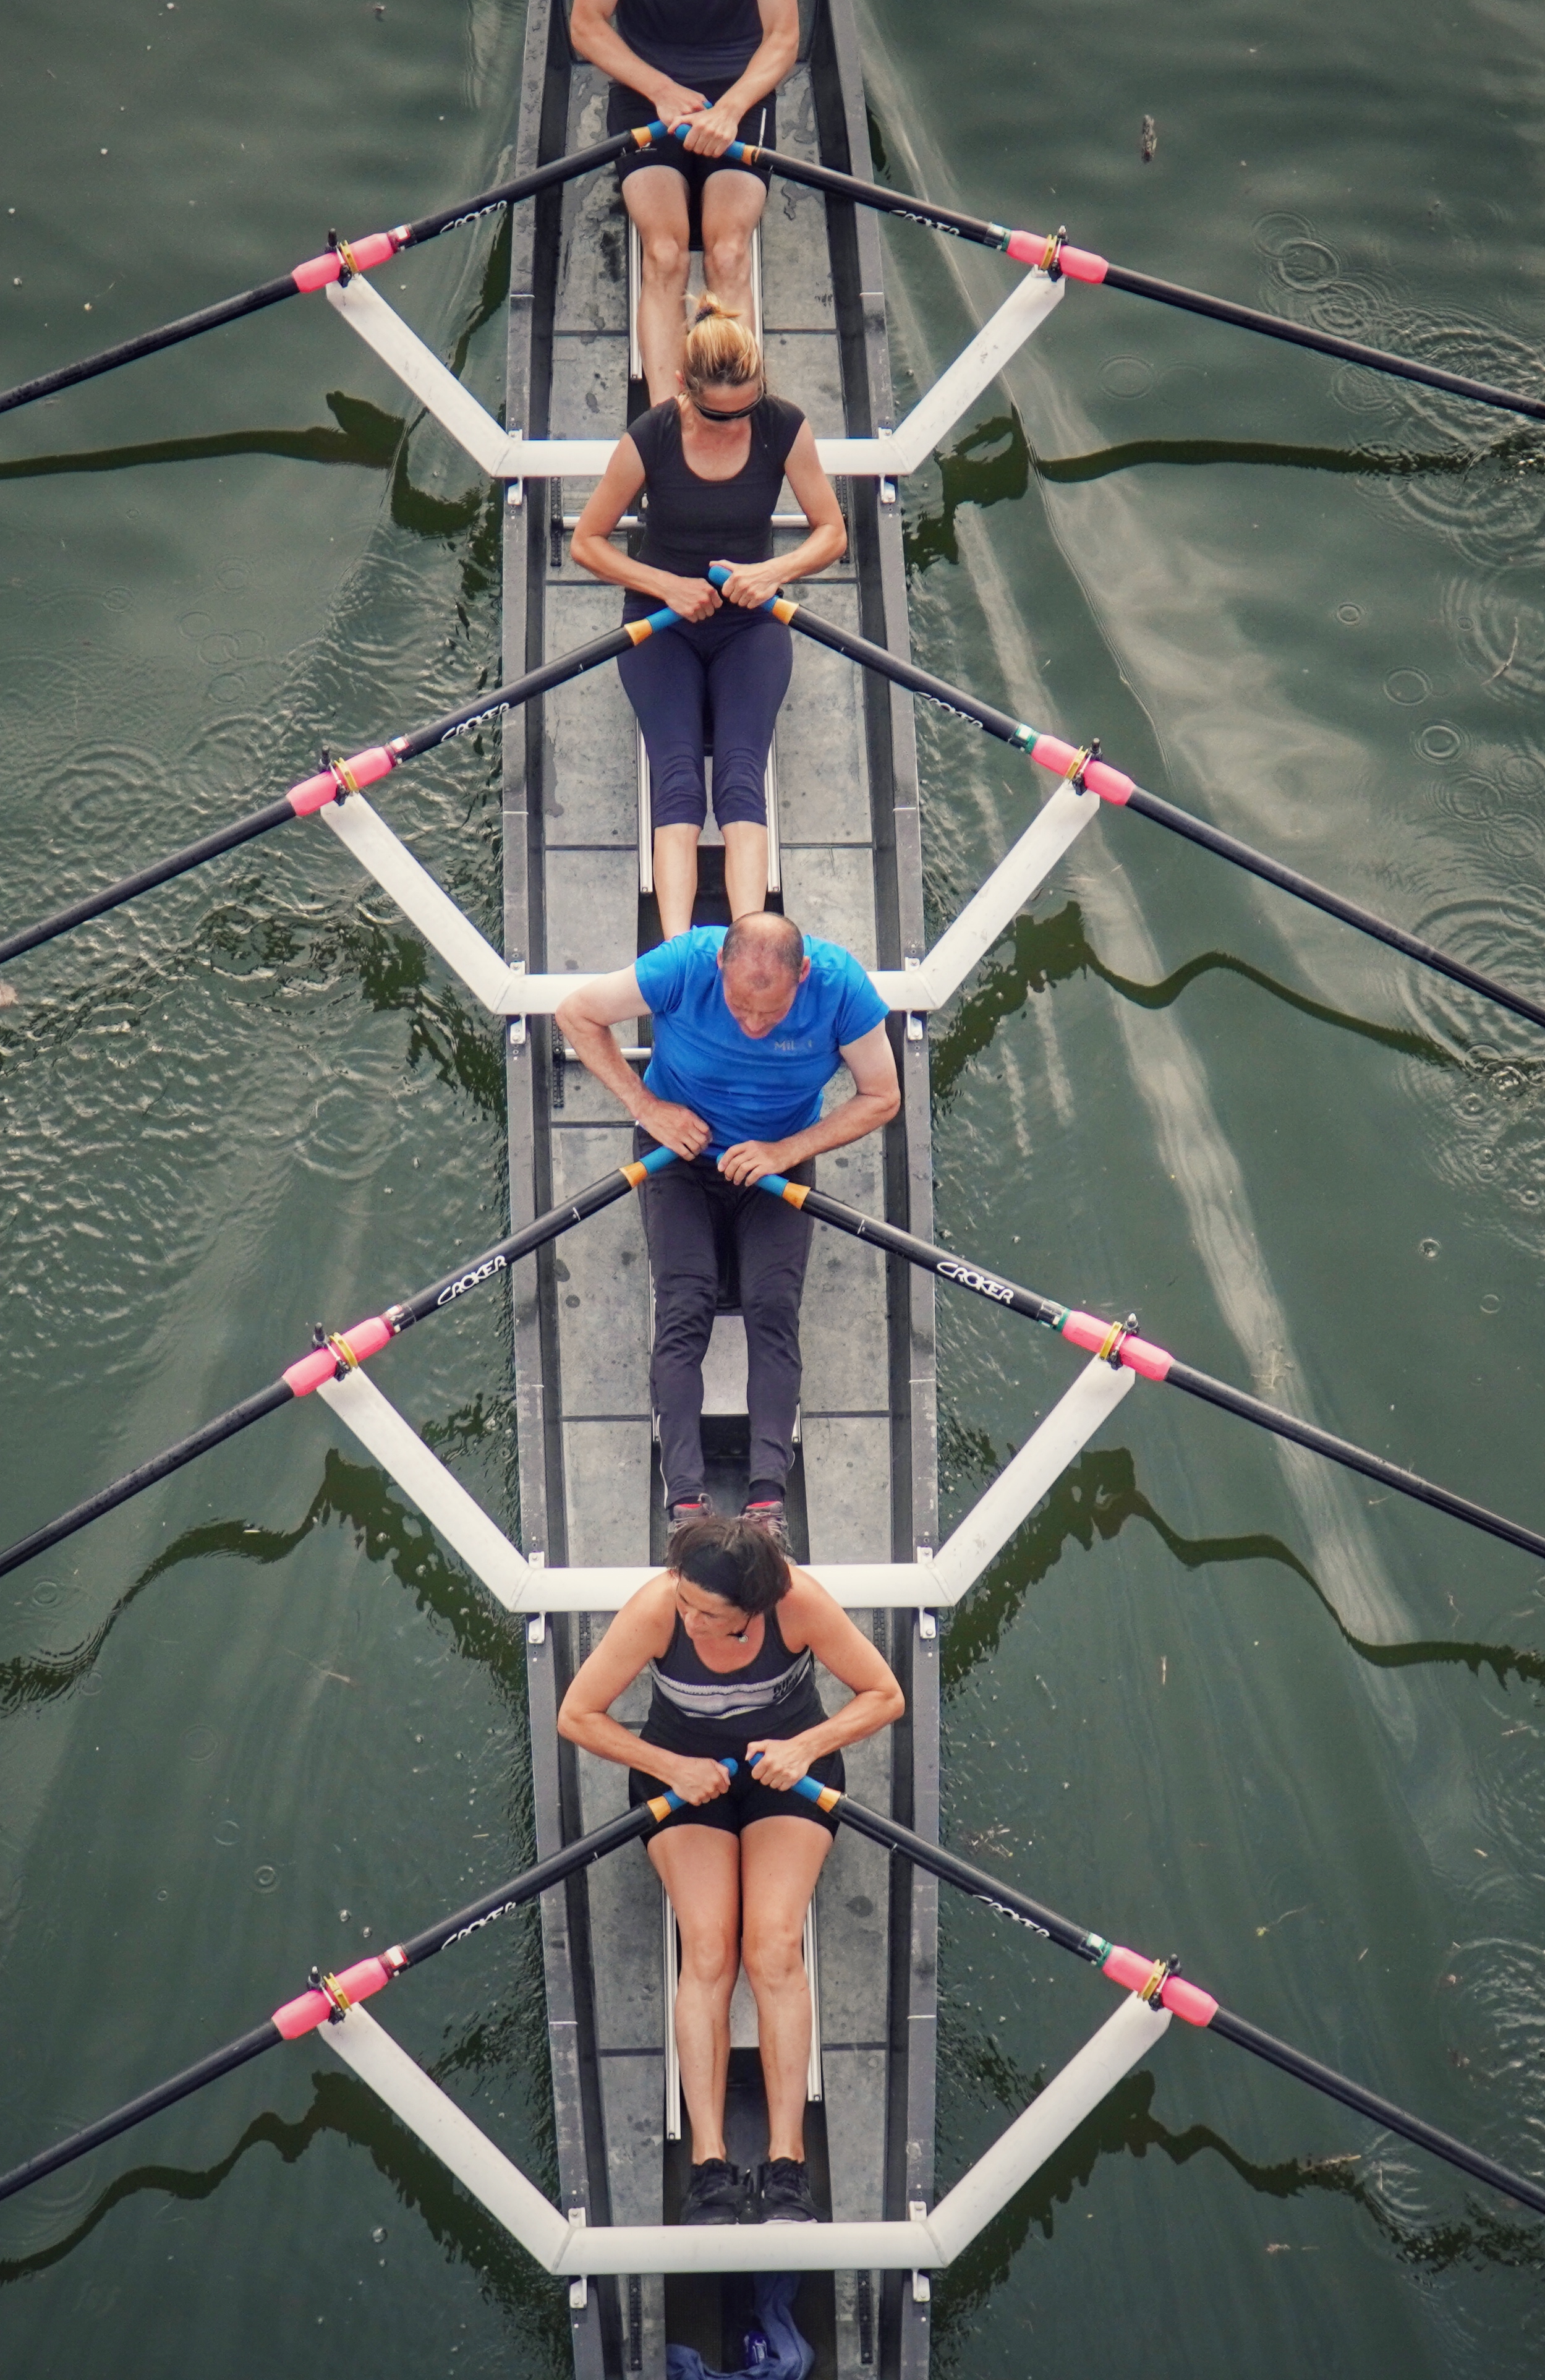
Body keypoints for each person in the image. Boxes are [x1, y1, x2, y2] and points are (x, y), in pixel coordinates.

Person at [556, 1509, 903, 2224]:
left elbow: (885, 1695)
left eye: (705, 1613)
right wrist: (671, 1767)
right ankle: (709, 2168)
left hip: (790, 1779)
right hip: (684, 1777)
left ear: (754, 1612)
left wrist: (808, 1746)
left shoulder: (798, 1602)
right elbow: (579, 1715)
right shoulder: (658, 1608)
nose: (686, 1618)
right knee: (709, 1947)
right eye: (683, 1600)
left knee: (771, 1946)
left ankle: (787, 2166)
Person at [555, 909, 896, 1526]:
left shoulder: (842, 986)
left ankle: (769, 1501)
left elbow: (882, 1095)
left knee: (772, 1306)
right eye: (740, 1009)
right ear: (720, 968)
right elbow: (576, 1012)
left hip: (775, 1162)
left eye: (771, 1013)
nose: (755, 1025)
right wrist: (647, 1107)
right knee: (686, 1301)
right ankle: (685, 1499)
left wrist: (786, 1152)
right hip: (677, 1153)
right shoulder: (683, 963)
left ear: (805, 975)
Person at [568, 303, 845, 930]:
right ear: (682, 391)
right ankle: (678, 956)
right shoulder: (651, 437)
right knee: (680, 779)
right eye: (718, 415)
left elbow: (831, 532)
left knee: (743, 775)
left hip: (752, 620)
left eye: (746, 410)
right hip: (661, 623)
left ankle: (749, 944)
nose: (733, 425)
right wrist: (667, 585)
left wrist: (772, 573)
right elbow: (588, 542)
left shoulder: (783, 428)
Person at [569, 0, 802, 402]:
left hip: (739, 93)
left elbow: (782, 37)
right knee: (664, 252)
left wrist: (730, 110)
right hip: (648, 95)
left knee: (728, 251)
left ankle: (735, 406)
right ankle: (669, 421)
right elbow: (587, 24)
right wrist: (660, 89)